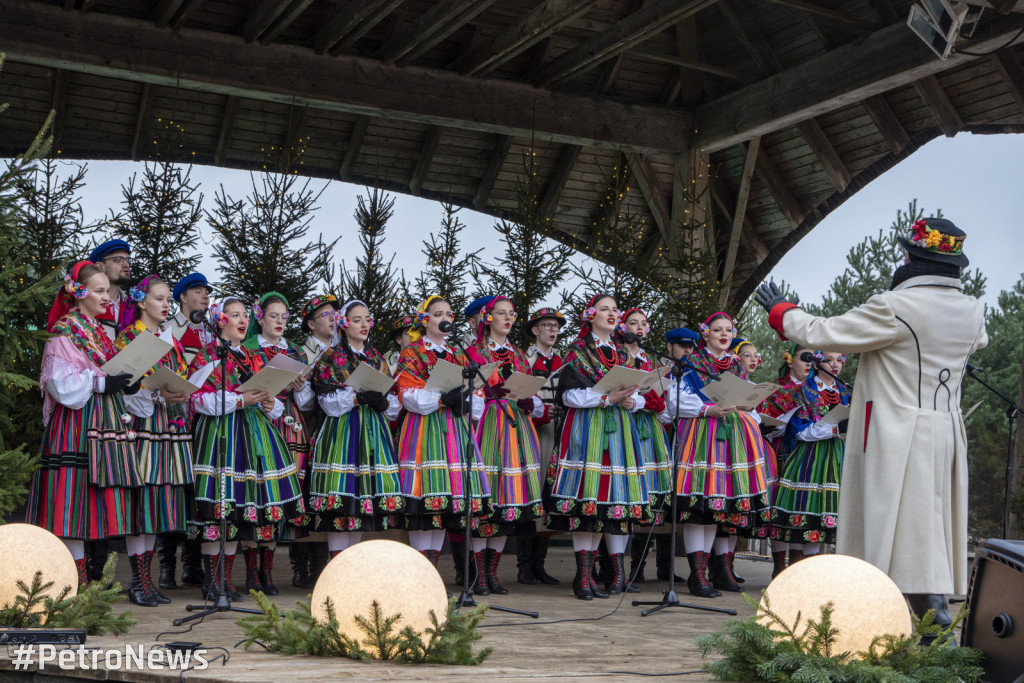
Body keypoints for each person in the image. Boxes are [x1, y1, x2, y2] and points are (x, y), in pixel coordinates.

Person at [756, 217, 987, 630]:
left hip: (897, 430)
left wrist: (782, 311)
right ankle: (929, 621)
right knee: (926, 529)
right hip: (946, 430)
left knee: (887, 527)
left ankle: (902, 622)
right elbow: (980, 341)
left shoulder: (896, 306)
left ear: (913, 257)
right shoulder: (973, 311)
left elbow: (824, 332)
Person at [28, 261, 141, 587]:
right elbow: (61, 385)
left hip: (99, 423)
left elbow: (103, 374)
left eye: (108, 290)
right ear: (79, 293)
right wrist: (103, 384)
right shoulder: (66, 330)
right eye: (100, 291)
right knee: (72, 505)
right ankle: (74, 582)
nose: (108, 297)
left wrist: (123, 383)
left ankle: (85, 582)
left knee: (88, 506)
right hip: (77, 424)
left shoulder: (95, 330)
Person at [186, 297, 307, 601]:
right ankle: (213, 580)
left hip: (254, 434)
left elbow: (271, 400)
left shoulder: (252, 357)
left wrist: (270, 403)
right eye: (234, 315)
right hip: (221, 433)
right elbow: (197, 399)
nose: (241, 321)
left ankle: (225, 581)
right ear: (219, 320)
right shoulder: (208, 355)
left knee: (238, 508)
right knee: (219, 505)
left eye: (244, 315)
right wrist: (240, 400)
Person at [548, 294, 651, 600]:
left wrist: (633, 400)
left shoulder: (623, 351)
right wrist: (606, 399)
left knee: (607, 501)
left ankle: (599, 576)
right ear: (590, 315)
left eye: (614, 309)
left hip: (618, 430)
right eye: (605, 308)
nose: (612, 313)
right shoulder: (579, 350)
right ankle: (582, 577)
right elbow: (568, 396)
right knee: (587, 500)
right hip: (588, 429)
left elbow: (641, 391)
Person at [664, 312, 772, 598]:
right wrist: (706, 409)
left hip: (730, 441)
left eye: (728, 330)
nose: (723, 335)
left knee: (715, 508)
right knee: (697, 508)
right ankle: (697, 575)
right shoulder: (691, 363)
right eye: (717, 330)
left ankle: (708, 574)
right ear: (706, 334)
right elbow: (675, 400)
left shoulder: (735, 365)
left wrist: (749, 408)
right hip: (700, 436)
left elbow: (747, 401)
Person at [394, 296, 491, 578]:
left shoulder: (459, 353)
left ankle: (431, 575)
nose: (445, 318)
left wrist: (464, 401)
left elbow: (479, 396)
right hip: (424, 431)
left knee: (443, 508)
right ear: (425, 320)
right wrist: (442, 399)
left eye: (448, 313)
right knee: (426, 504)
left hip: (455, 432)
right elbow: (409, 397)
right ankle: (418, 577)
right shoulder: (411, 353)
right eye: (438, 314)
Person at [114, 275, 194, 606]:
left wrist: (177, 394)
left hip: (165, 429)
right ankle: (138, 581)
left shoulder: (170, 340)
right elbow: (124, 389)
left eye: (167, 300)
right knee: (140, 506)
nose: (165, 305)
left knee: (156, 509)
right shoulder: (128, 338)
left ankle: (146, 583)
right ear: (142, 302)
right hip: (140, 429)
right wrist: (152, 391)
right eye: (159, 299)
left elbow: (178, 380)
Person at [308, 300, 405, 558]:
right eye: (357, 319)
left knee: (362, 501)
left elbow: (392, 399)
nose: (364, 325)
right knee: (343, 498)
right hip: (342, 432)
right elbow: (327, 403)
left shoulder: (376, 358)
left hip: (372, 431)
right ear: (344, 323)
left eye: (367, 319)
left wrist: (384, 402)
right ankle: (337, 563)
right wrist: (356, 398)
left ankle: (351, 563)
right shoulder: (331, 356)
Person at [464, 296, 546, 595]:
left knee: (507, 501)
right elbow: (466, 391)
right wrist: (487, 393)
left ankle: (492, 572)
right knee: (489, 497)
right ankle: (479, 574)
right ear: (488, 318)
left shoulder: (519, 354)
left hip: (515, 425)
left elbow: (530, 390)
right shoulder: (474, 351)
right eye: (502, 313)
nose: (508, 318)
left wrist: (529, 400)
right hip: (487, 424)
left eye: (511, 313)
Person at [241, 292, 315, 596]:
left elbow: (308, 401)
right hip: (256, 422)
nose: (280, 322)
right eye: (274, 316)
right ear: (260, 317)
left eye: (285, 317)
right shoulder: (248, 348)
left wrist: (300, 387)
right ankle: (251, 573)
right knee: (256, 494)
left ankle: (267, 571)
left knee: (279, 497)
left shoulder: (295, 351)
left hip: (288, 424)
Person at [630, 326, 698, 585]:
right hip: (656, 435)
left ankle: (666, 567)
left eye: (691, 347)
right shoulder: (658, 370)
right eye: (683, 346)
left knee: (669, 504)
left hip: (679, 438)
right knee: (649, 499)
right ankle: (637, 567)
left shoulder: (692, 373)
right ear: (669, 347)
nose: (688, 351)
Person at [770, 351, 850, 564]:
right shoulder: (805, 390)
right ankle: (787, 570)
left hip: (836, 457)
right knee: (802, 513)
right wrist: (834, 429)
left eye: (838, 360)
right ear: (817, 362)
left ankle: (807, 571)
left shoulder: (844, 390)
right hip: (808, 458)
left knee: (821, 516)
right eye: (828, 360)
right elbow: (800, 431)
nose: (834, 364)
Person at [162, 271, 213, 590]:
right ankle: (167, 566)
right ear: (181, 296)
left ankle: (192, 566)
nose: (205, 297)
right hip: (170, 415)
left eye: (207, 292)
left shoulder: (211, 333)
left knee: (197, 491)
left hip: (202, 420)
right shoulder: (168, 330)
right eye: (198, 291)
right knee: (172, 489)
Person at [292, 293, 339, 588]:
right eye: (325, 314)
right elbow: (303, 400)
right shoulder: (302, 352)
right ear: (310, 324)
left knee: (324, 495)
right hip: (307, 427)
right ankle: (299, 566)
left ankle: (322, 567)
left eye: (334, 313)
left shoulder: (343, 349)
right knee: (304, 492)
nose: (333, 317)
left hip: (335, 429)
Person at [519, 307, 567, 586]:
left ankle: (539, 564)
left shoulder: (563, 361)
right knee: (532, 490)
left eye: (556, 326)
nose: (553, 330)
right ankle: (524, 565)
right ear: (535, 330)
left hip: (558, 432)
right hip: (533, 432)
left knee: (549, 493)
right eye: (547, 325)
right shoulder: (524, 359)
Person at [759, 342, 815, 578]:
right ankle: (779, 566)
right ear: (790, 360)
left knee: (803, 506)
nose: (809, 363)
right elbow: (764, 421)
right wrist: (778, 426)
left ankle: (799, 566)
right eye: (805, 358)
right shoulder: (776, 388)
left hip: (811, 452)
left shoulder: (816, 390)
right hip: (782, 450)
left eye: (813, 359)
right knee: (780, 506)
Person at [89, 239, 133, 343]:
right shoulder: (86, 303)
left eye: (127, 260)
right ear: (100, 266)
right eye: (118, 259)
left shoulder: (132, 305)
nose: (126, 264)